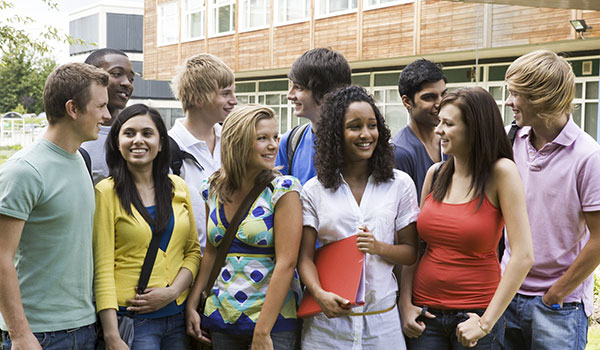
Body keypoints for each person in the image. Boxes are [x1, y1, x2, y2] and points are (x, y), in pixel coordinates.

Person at [400, 87, 534, 349]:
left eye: (448, 124)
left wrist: (486, 323)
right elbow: (415, 247)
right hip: (426, 316)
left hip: (476, 314)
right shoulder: (436, 174)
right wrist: (406, 304)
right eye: (439, 122)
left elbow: (523, 255)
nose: (438, 130)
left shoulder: (501, 173)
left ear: (475, 129)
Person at [297, 86, 419, 349]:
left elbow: (411, 252)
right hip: (327, 327)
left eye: (372, 125)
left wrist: (379, 248)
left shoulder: (400, 184)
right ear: (336, 135)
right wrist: (318, 295)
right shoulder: (314, 190)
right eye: (355, 126)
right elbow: (304, 258)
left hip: (382, 326)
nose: (366, 134)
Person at [0, 62, 110, 350]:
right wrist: (20, 334)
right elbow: (1, 258)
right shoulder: (24, 170)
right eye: (100, 107)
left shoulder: (80, 160)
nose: (107, 116)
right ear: (73, 108)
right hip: (40, 336)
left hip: (85, 327)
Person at [501, 50, 600, 350]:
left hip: (558, 308)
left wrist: (555, 294)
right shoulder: (509, 140)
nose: (508, 102)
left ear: (540, 97)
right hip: (507, 294)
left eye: (515, 94)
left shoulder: (588, 156)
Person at [186, 105, 303, 349]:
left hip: (273, 323)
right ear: (238, 142)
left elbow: (287, 263)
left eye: (275, 137)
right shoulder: (213, 188)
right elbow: (211, 251)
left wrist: (262, 331)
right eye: (262, 138)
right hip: (221, 317)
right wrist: (192, 304)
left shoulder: (283, 190)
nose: (273, 145)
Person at [94, 104, 201, 349]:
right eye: (129, 133)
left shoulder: (178, 187)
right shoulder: (106, 192)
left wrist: (173, 291)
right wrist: (112, 335)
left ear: (161, 142)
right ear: (117, 142)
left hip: (176, 318)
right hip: (132, 321)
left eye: (147, 133)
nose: (138, 140)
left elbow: (193, 252)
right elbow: (102, 267)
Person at [169, 53, 238, 250]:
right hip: (188, 266)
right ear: (199, 98)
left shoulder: (234, 141)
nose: (234, 100)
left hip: (234, 267)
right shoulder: (168, 148)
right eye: (225, 94)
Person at [275, 48, 352, 184]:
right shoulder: (290, 142)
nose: (289, 96)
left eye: (299, 87)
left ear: (326, 93)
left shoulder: (358, 142)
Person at [392, 59, 447, 201]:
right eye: (429, 97)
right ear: (407, 102)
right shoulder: (400, 151)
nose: (440, 103)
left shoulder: (449, 141)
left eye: (443, 95)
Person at [81, 48, 135, 184]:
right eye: (117, 74)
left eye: (131, 79)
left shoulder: (138, 136)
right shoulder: (74, 137)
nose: (127, 83)